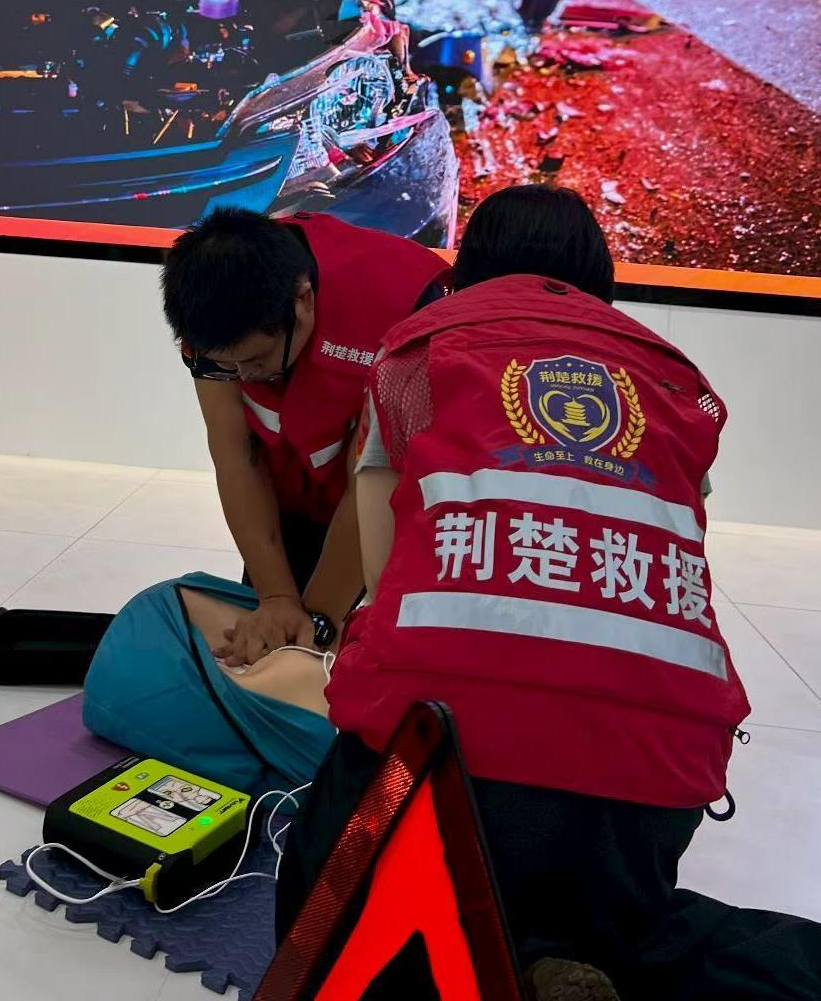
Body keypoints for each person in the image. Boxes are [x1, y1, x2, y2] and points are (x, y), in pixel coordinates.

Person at [277, 185, 821, 1001]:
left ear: (467, 270)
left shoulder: (416, 354)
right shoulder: (675, 382)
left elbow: (385, 585)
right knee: (621, 925)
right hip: (653, 779)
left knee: (325, 912)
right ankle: (586, 950)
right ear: (599, 277)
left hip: (436, 754)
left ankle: (523, 952)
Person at [161, 207, 448, 669]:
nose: (244, 377)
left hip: (390, 498)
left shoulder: (403, 308)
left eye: (255, 360)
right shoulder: (211, 319)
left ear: (303, 301)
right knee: (269, 644)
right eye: (226, 366)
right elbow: (236, 454)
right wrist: (276, 598)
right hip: (294, 489)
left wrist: (317, 620)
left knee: (375, 655)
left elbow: (374, 479)